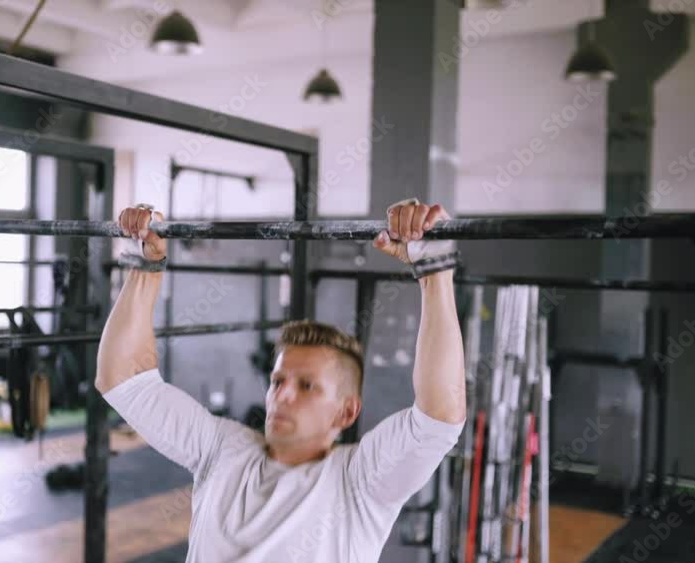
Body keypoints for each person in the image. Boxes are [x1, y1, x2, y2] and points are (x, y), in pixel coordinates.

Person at [96, 199, 467, 563]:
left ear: (346, 412)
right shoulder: (223, 450)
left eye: (307, 386)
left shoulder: (359, 482)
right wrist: (143, 263)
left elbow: (439, 415)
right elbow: (124, 378)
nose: (282, 396)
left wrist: (435, 272)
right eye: (277, 381)